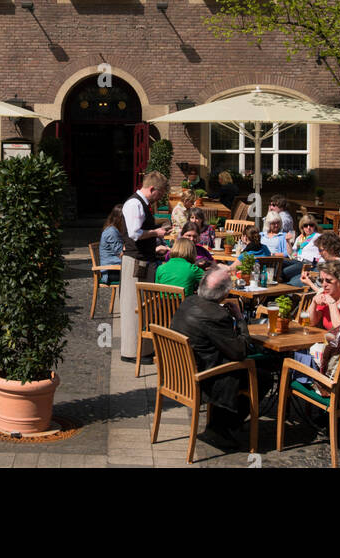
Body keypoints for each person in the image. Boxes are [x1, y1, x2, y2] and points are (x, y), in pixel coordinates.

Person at [169, 266, 278, 444]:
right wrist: (240, 319)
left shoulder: (188, 302)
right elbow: (240, 352)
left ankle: (222, 424)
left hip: (180, 372)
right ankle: (222, 427)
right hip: (205, 377)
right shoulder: (217, 315)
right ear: (224, 294)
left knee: (253, 368)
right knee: (263, 377)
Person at [119, 170, 170, 362]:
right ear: (152, 189)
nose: (161, 197)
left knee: (143, 305)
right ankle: (131, 352)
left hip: (143, 259)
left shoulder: (142, 204)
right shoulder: (134, 204)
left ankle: (143, 349)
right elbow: (134, 233)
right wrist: (157, 232)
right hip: (136, 261)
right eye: (161, 193)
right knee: (133, 305)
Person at [99, 206, 124, 285]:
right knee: (142, 272)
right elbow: (121, 254)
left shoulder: (116, 230)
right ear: (119, 218)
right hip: (111, 271)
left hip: (117, 267)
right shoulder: (111, 232)